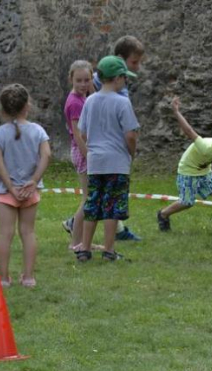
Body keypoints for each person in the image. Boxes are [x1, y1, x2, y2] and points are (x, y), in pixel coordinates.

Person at [79, 35, 145, 242]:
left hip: (95, 161)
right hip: (117, 161)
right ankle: (108, 250)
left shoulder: (89, 100)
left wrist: (91, 149)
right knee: (112, 207)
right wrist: (131, 153)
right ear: (117, 78)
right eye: (125, 76)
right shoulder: (122, 102)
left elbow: (82, 132)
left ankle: (85, 248)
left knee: (92, 204)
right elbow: (131, 135)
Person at [156, 92, 212, 234]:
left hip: (204, 170)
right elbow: (189, 131)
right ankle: (163, 214)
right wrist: (176, 112)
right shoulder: (206, 147)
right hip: (188, 170)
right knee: (187, 202)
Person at [0, 84, 51, 288]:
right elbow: (46, 155)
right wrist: (34, 180)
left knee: (5, 233)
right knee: (28, 232)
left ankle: (5, 278)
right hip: (29, 191)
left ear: (4, 109)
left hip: (6, 192)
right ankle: (28, 277)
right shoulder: (38, 131)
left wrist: (10, 186)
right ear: (27, 106)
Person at [62, 60, 94, 251]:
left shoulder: (84, 97)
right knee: (87, 198)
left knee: (88, 198)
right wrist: (87, 155)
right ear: (71, 79)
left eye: (87, 80)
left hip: (85, 150)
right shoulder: (75, 102)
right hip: (82, 152)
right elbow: (77, 133)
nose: (83, 84)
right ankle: (75, 242)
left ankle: (80, 240)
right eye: (79, 80)